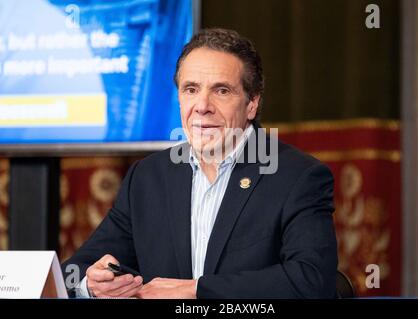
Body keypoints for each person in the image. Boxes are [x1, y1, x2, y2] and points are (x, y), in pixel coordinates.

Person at [62, 28, 338, 299]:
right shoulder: (147, 177)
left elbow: (312, 281)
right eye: (191, 89)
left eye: (221, 91)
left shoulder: (297, 177)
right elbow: (73, 271)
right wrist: (91, 283)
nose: (202, 105)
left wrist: (196, 291)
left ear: (252, 103)